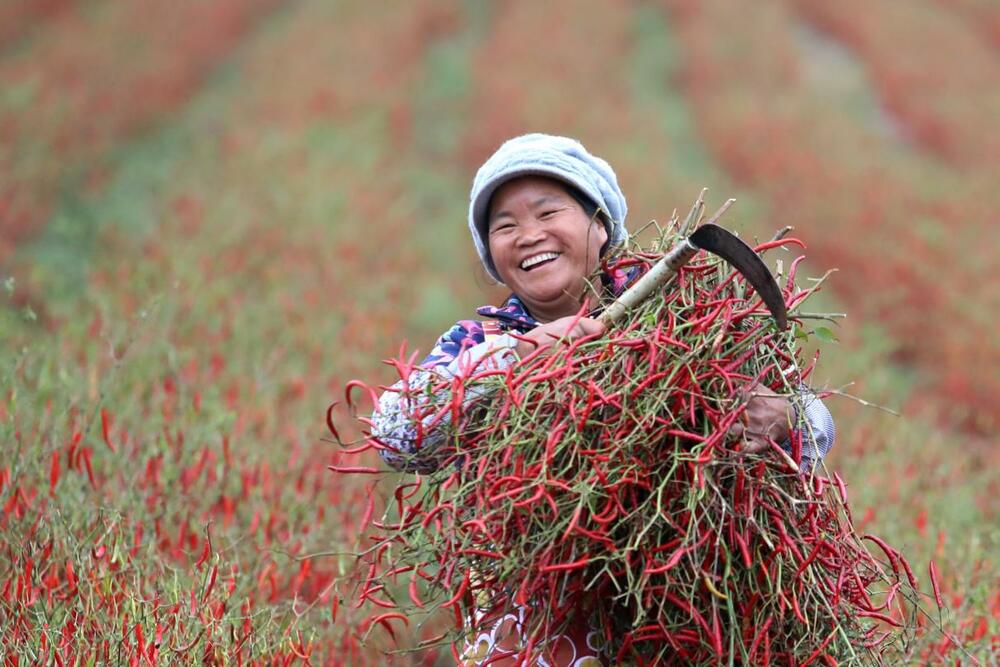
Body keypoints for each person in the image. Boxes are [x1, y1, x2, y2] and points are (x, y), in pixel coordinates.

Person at [371, 134, 835, 666]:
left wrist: (783, 417)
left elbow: (817, 426)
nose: (529, 235)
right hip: (533, 641)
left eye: (549, 211)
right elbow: (394, 435)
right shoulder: (478, 347)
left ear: (600, 226)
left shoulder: (679, 320)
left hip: (683, 622)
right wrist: (517, 357)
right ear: (493, 258)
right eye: (505, 225)